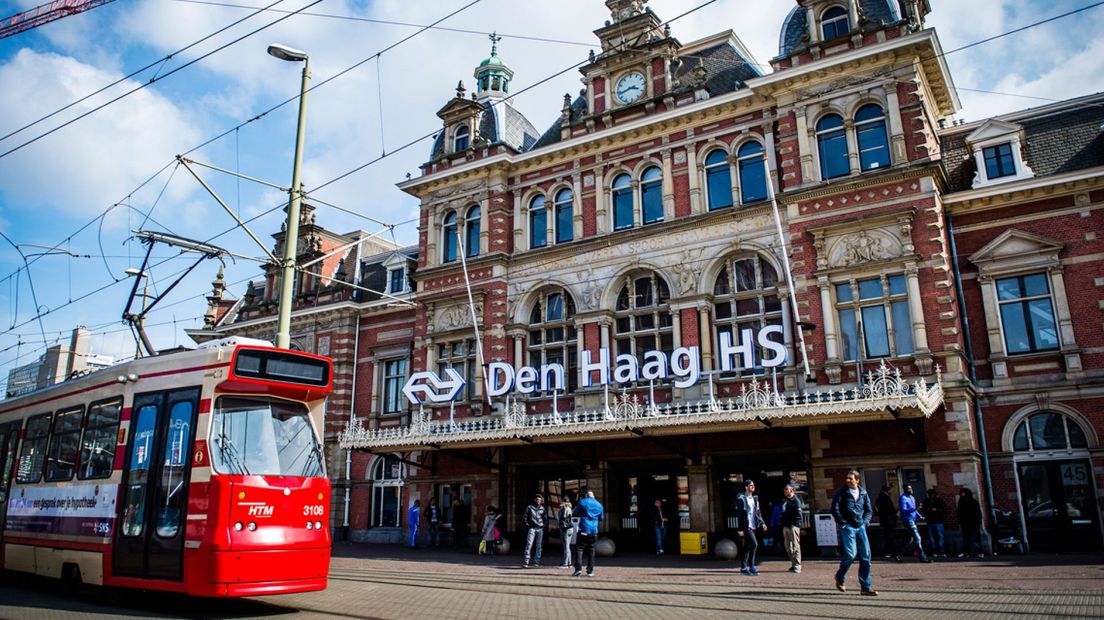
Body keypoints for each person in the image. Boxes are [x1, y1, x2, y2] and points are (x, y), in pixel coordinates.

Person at [831, 469, 878, 596]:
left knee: (866, 557)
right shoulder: (841, 492)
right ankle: (840, 577)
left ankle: (866, 587)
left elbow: (869, 510)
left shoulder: (863, 493)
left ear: (857, 480)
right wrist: (843, 523)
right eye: (847, 478)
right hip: (848, 527)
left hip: (860, 527)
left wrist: (866, 522)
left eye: (851, 478)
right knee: (851, 555)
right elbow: (834, 508)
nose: (848, 480)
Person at [734, 479, 766, 576]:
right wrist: (739, 529)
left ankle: (744, 567)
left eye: (753, 485)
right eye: (751, 485)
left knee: (747, 547)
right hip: (746, 526)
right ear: (746, 487)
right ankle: (751, 566)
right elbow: (739, 514)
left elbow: (758, 513)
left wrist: (762, 523)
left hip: (754, 525)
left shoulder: (755, 499)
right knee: (754, 544)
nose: (753, 486)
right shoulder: (742, 499)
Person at [573, 490, 605, 577]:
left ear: (586, 495)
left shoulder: (582, 502)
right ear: (593, 496)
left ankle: (578, 569)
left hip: (584, 529)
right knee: (591, 550)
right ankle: (590, 571)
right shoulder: (599, 505)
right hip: (594, 530)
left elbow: (574, 513)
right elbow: (601, 518)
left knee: (579, 549)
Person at [898, 485, 930, 562]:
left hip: (913, 519)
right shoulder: (903, 498)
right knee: (917, 537)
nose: (911, 490)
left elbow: (914, 510)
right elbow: (903, 510)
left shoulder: (912, 498)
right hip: (907, 520)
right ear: (905, 489)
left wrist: (920, 516)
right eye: (909, 489)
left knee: (909, 539)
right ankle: (923, 557)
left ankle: (896, 553)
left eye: (911, 488)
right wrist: (915, 508)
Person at [780, 484, 803, 573]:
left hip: (793, 525)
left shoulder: (796, 501)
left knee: (795, 545)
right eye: (784, 489)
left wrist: (796, 524)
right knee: (788, 547)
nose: (785, 491)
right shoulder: (785, 501)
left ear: (791, 490)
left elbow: (799, 514)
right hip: (785, 525)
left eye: (786, 489)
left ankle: (797, 565)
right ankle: (793, 563)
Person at [957, 487, 985, 558]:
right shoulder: (961, 502)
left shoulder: (973, 502)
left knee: (976, 538)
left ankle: (980, 552)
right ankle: (966, 552)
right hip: (965, 524)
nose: (962, 494)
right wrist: (960, 522)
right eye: (961, 493)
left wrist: (977, 523)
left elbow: (978, 513)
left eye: (963, 493)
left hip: (974, 523)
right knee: (966, 539)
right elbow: (959, 513)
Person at [874, 484, 899, 561]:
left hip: (884, 520)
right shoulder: (885, 498)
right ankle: (891, 551)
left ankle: (889, 551)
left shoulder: (879, 497)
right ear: (887, 490)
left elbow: (877, 510)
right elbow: (890, 509)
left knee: (887, 536)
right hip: (889, 520)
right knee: (890, 536)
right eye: (889, 489)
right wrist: (896, 510)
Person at [921, 488, 947, 558]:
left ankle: (942, 551)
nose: (932, 496)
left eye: (933, 494)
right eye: (930, 495)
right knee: (932, 537)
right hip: (930, 521)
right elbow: (923, 510)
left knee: (940, 536)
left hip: (938, 521)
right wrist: (929, 510)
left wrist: (937, 510)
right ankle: (935, 551)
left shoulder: (939, 501)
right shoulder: (926, 502)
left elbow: (944, 510)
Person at [522, 493, 545, 568]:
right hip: (532, 528)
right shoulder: (529, 507)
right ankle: (526, 561)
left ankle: (537, 562)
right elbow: (525, 517)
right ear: (534, 500)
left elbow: (545, 518)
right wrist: (527, 525)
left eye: (540, 499)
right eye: (537, 499)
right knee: (529, 544)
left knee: (539, 545)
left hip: (540, 528)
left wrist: (544, 525)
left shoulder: (542, 508)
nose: (538, 501)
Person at [558, 499, 575, 567]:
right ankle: (569, 562)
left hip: (565, 529)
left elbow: (564, 518)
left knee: (566, 546)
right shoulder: (569, 508)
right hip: (570, 528)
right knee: (567, 546)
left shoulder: (565, 508)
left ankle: (565, 563)